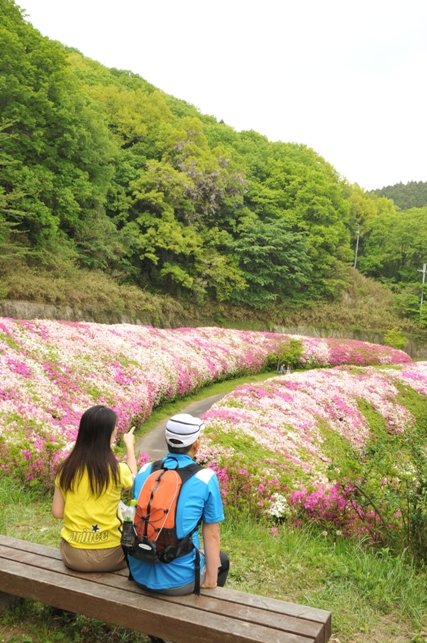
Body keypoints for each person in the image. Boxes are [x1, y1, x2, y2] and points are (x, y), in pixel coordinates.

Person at [127, 413, 229, 596]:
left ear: (166, 439)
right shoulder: (205, 478)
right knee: (223, 560)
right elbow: (212, 534)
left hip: (138, 573)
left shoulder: (145, 471)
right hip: (179, 580)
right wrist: (210, 580)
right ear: (196, 444)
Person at [52, 405, 137, 572]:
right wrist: (130, 447)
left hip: (73, 556)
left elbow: (57, 512)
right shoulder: (117, 470)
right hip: (112, 556)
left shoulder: (66, 469)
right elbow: (133, 476)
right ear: (110, 435)